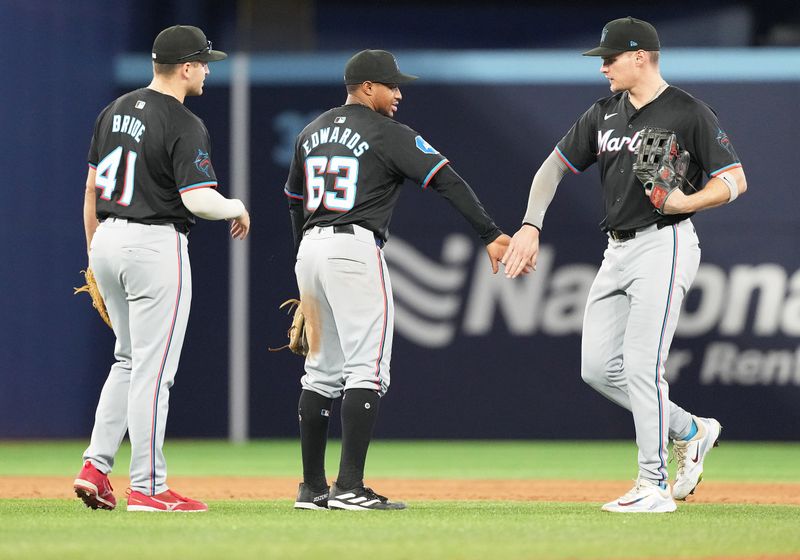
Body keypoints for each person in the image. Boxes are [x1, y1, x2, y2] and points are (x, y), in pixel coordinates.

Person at [502, 17, 746, 513]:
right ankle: (691, 430)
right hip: (617, 249)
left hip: (666, 242)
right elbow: (552, 168)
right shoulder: (602, 113)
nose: (603, 68)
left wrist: (687, 202)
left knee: (642, 365)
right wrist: (530, 225)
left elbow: (736, 179)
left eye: (610, 59)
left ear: (641, 57)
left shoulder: (688, 111)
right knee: (597, 367)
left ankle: (652, 486)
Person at [284, 49, 511, 511]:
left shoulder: (310, 131)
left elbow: (293, 199)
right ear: (367, 87)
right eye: (392, 85)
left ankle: (312, 488)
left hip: (310, 247)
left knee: (321, 370)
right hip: (353, 248)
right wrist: (489, 233)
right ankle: (348, 487)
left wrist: (304, 264)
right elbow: (447, 180)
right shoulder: (386, 132)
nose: (399, 93)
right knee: (367, 367)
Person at [73, 25, 250, 512]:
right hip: (153, 243)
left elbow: (91, 190)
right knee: (155, 370)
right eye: (204, 62)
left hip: (107, 237)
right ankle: (148, 487)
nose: (209, 70)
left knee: (128, 360)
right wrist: (236, 205)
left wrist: (95, 255)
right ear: (186, 66)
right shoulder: (184, 121)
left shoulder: (113, 111)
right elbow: (198, 200)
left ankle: (95, 466)